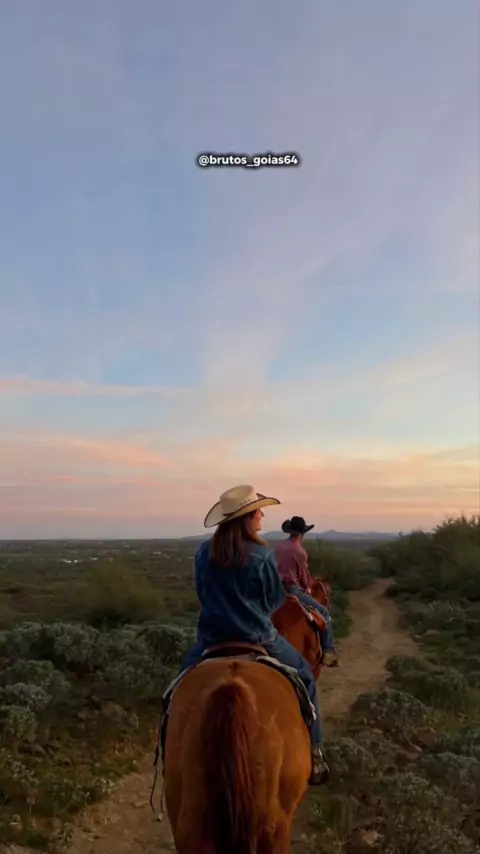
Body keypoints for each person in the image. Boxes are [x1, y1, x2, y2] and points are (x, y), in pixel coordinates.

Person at [180, 484, 330, 786]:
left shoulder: (203, 552)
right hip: (259, 638)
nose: (262, 514)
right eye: (258, 510)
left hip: (211, 640)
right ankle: (315, 753)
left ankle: (166, 752)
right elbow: (274, 600)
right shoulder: (261, 555)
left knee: (176, 693)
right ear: (246, 517)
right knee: (305, 677)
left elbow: (202, 594)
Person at [275, 516, 340, 667]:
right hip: (291, 590)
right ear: (302, 534)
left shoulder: (279, 547)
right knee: (323, 612)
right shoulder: (300, 552)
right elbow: (304, 578)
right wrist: (307, 588)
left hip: (274, 590)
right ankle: (328, 652)